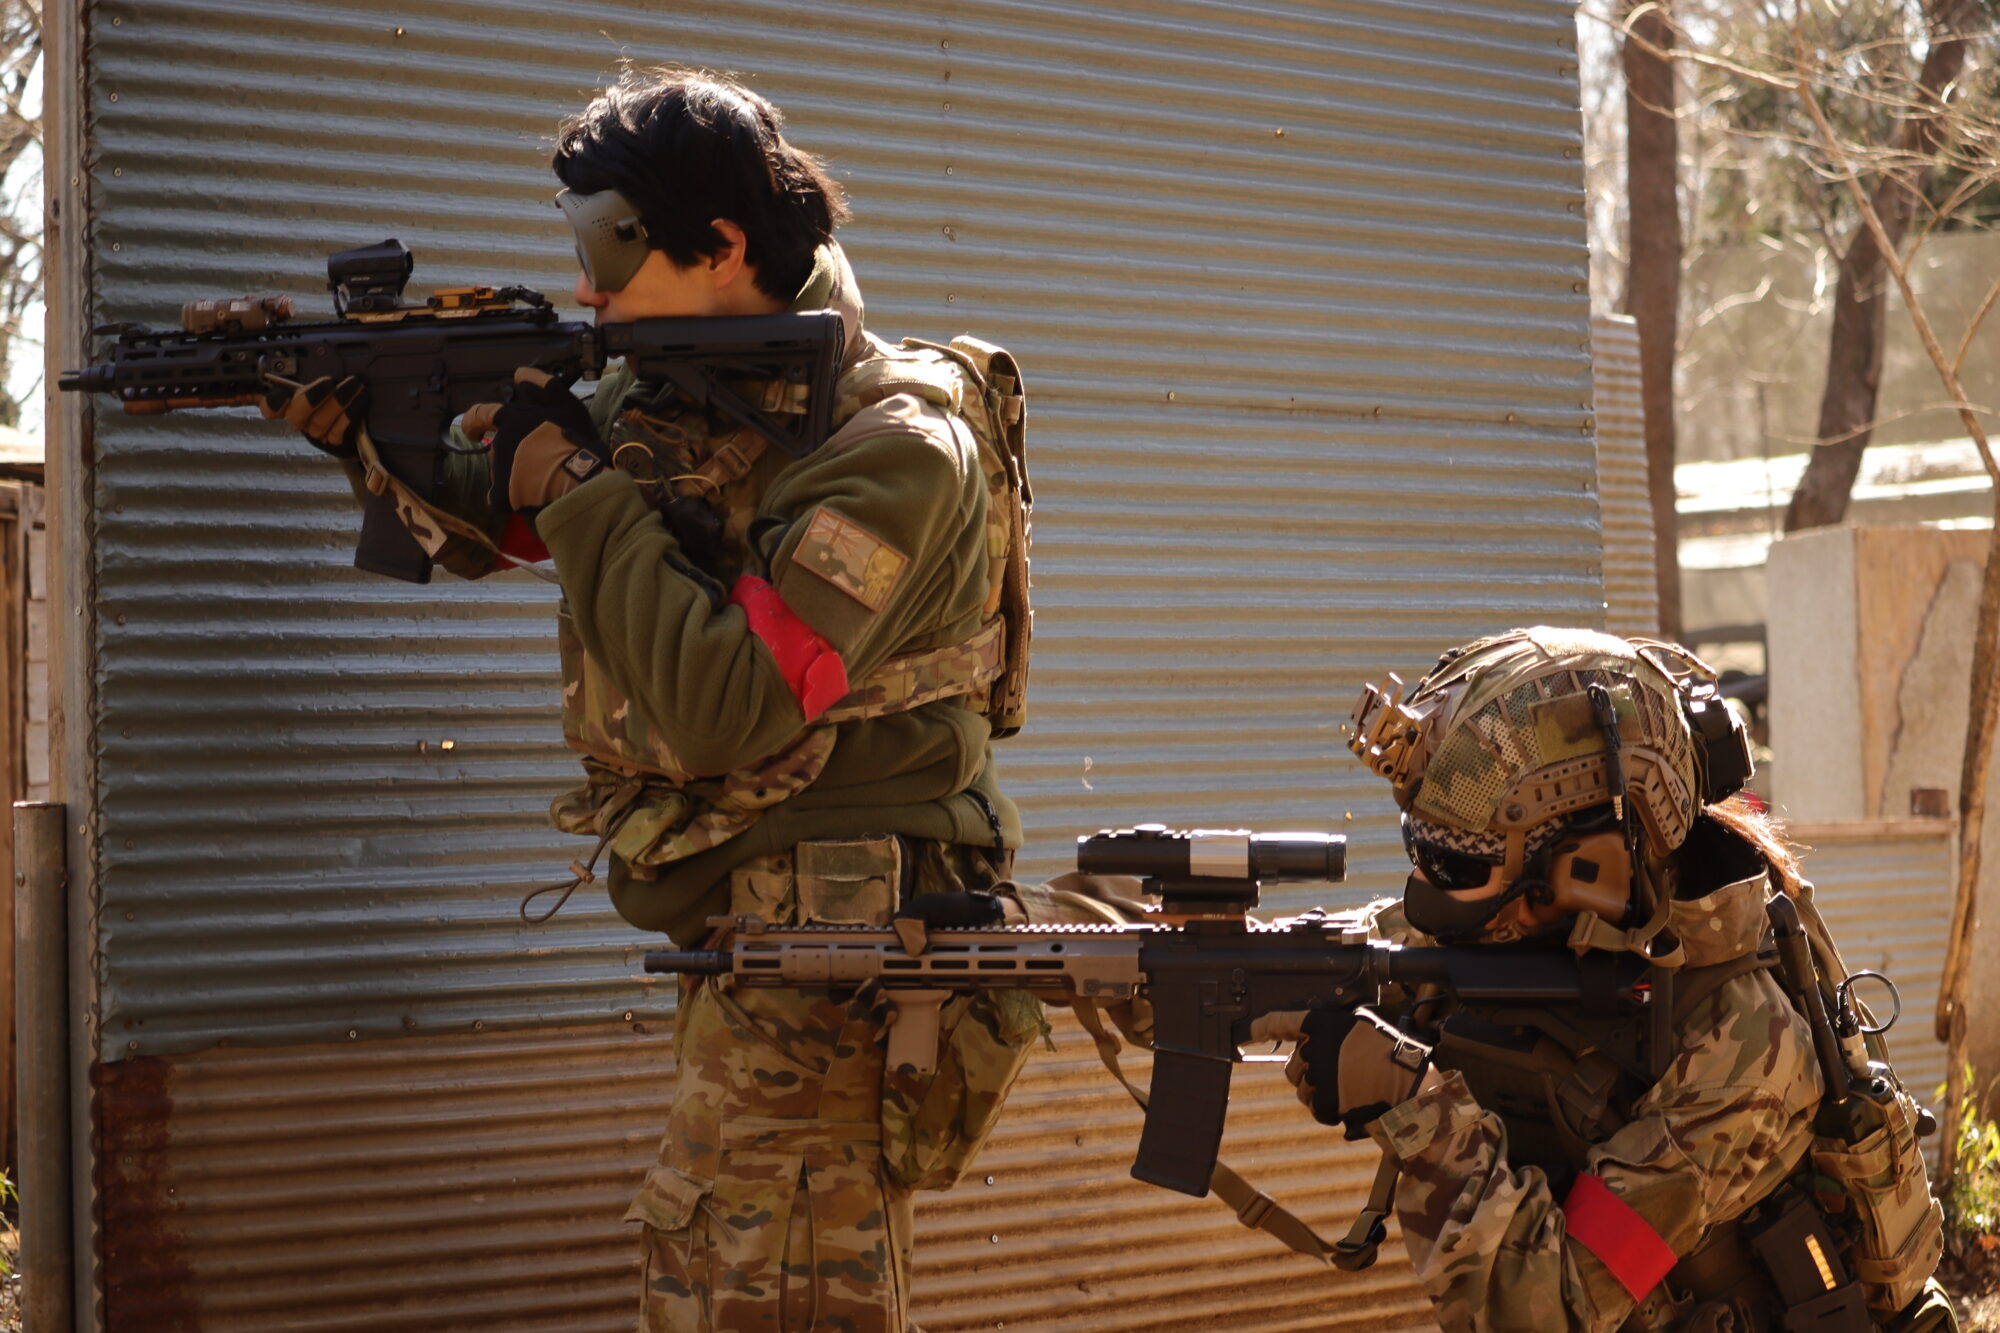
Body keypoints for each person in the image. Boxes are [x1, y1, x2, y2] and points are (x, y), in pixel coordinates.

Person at [265, 68, 1110, 1332]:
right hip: (753, 922)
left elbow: (729, 701)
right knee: (727, 1264)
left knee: (768, 1284)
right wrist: (365, 429)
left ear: (721, 247)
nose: (586, 292)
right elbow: (506, 519)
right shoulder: (670, 390)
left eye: (611, 254)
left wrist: (571, 483)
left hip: (838, 950)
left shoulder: (895, 450)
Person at [1270, 627, 1952, 1333]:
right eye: (1421, 851)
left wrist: (1417, 1109)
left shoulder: (1743, 1052)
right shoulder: (1551, 926)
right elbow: (1391, 944)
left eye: (1456, 867)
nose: (1426, 890)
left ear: (1587, 866)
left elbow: (1539, 1310)